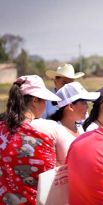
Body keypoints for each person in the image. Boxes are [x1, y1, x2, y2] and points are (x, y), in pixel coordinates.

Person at [0, 75, 61, 204]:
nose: (46, 105)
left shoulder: (2, 128)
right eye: (44, 100)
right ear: (34, 101)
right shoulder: (43, 131)